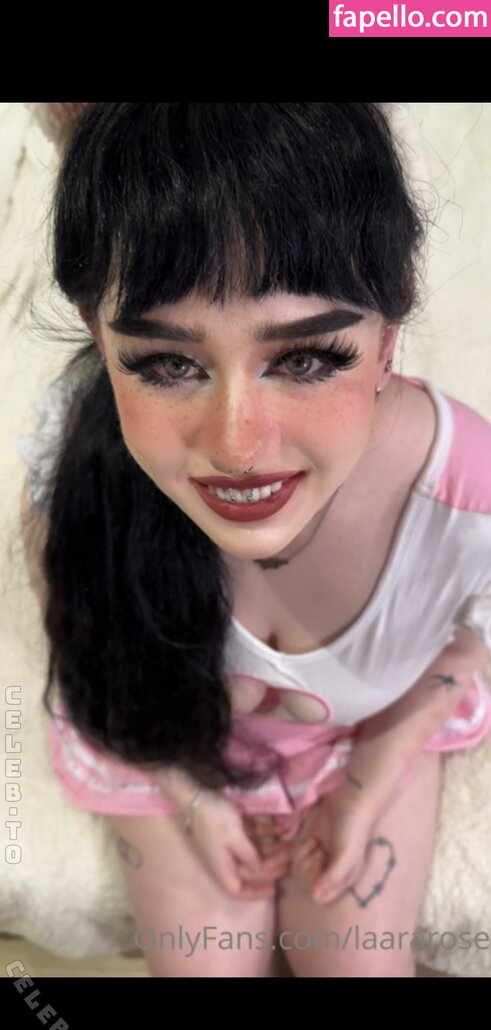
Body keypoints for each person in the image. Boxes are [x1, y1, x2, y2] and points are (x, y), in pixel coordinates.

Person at [19, 103, 491, 978]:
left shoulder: (464, 495)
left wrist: (369, 779)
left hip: (361, 736)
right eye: (167, 363)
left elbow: (472, 637)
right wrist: (192, 798)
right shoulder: (78, 468)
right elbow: (91, 649)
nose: (237, 447)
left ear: (388, 331)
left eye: (305, 359)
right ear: (95, 332)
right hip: (164, 735)